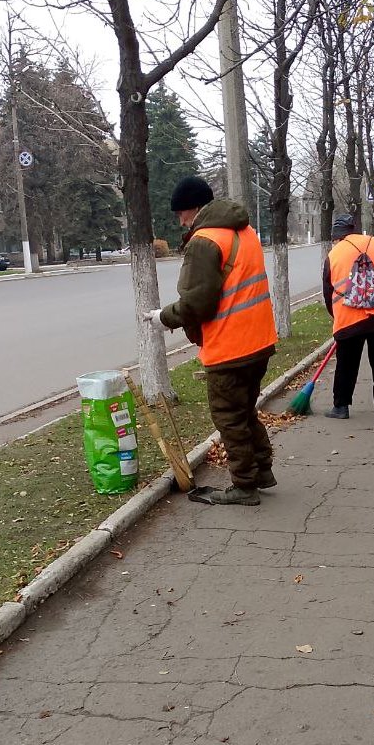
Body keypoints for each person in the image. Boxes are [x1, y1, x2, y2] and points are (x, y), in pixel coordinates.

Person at [143, 176, 278, 506]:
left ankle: (244, 486)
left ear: (192, 209)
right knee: (244, 411)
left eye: (181, 215)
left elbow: (197, 303)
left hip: (231, 346)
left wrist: (163, 318)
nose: (180, 221)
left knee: (229, 417)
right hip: (259, 340)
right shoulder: (244, 231)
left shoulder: (204, 241)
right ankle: (261, 471)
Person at [322, 215, 374, 422]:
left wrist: (337, 317)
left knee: (346, 364)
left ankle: (341, 407)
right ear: (355, 230)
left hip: (349, 320)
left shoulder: (334, 254)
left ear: (336, 237)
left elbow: (327, 292)